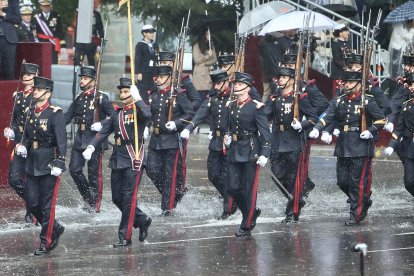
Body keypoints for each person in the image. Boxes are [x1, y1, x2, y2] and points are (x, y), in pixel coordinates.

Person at [309, 71, 386, 226]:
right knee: (342, 181)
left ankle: (355, 215)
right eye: (346, 82)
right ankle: (363, 201)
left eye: (350, 83)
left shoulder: (367, 101)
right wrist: (318, 128)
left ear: (359, 85)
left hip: (361, 145)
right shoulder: (339, 100)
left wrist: (370, 131)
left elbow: (381, 120)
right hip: (344, 144)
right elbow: (327, 116)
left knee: (356, 182)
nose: (347, 85)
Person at [83, 78, 152, 247]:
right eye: (121, 92)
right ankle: (142, 219)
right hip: (118, 159)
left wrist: (138, 99)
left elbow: (148, 116)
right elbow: (103, 132)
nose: (122, 95)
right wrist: (91, 147)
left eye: (126, 91)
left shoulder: (139, 111)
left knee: (128, 199)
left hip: (133, 157)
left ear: (133, 93)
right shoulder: (117, 114)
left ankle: (124, 237)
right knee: (116, 197)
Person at [15, 76, 66, 255]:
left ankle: (46, 241)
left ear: (47, 93)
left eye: (38, 89)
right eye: (34, 89)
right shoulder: (31, 111)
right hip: (32, 162)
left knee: (47, 205)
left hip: (48, 164)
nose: (34, 91)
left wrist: (60, 161)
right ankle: (55, 227)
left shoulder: (55, 113)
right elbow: (28, 136)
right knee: (31, 201)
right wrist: (23, 145)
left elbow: (62, 140)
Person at [180, 70, 237, 219]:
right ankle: (232, 198)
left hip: (230, 143)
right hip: (215, 142)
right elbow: (202, 112)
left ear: (226, 82)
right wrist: (189, 127)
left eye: (219, 84)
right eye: (214, 84)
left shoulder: (235, 97)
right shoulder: (213, 97)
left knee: (227, 175)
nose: (216, 87)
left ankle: (228, 209)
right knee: (213, 174)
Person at [265, 67, 318, 223]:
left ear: (291, 80)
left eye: (283, 77)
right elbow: (266, 115)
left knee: (294, 178)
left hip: (294, 140)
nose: (279, 80)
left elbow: (314, 117)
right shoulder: (275, 97)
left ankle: (292, 211)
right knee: (277, 175)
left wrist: (302, 124)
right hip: (278, 140)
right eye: (279, 77)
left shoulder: (300, 98)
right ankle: (297, 198)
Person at [224, 72, 271, 237]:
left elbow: (265, 134)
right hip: (235, 149)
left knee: (248, 189)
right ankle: (251, 212)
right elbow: (229, 127)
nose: (234, 86)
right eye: (234, 84)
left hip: (251, 151)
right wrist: (228, 136)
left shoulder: (256, 107)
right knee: (232, 187)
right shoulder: (231, 106)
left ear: (247, 87)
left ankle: (247, 223)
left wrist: (265, 153)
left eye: (238, 84)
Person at [145, 65, 194, 216]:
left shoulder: (179, 94)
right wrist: (147, 126)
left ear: (169, 78)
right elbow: (151, 114)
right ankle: (174, 195)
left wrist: (177, 123)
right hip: (156, 139)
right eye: (157, 77)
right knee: (151, 169)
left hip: (172, 139)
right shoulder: (153, 94)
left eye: (161, 77)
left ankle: (167, 207)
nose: (158, 79)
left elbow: (190, 113)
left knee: (169, 175)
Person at [64, 67, 114, 213]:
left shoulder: (101, 98)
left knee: (94, 173)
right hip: (80, 138)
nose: (82, 81)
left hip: (95, 139)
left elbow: (113, 117)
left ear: (93, 80)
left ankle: (95, 205)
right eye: (81, 78)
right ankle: (89, 198)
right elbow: (67, 117)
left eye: (85, 78)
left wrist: (102, 124)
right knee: (74, 169)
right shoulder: (79, 98)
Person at [3, 62, 39, 224]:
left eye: (29, 75)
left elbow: (37, 123)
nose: (25, 77)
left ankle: (32, 210)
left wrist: (26, 142)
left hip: (32, 143)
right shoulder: (18, 96)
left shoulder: (38, 95)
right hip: (19, 143)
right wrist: (11, 129)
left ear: (36, 76)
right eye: (24, 74)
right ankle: (34, 204)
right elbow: (15, 119)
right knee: (14, 179)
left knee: (31, 178)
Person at [384, 73, 414, 197]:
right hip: (409, 148)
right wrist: (392, 144)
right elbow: (400, 128)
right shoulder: (407, 105)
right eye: (411, 84)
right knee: (409, 182)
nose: (411, 87)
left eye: (413, 84)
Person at [33, 0, 65, 64]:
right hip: (41, 42)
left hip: (53, 44)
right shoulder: (36, 16)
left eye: (47, 6)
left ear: (50, 6)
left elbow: (60, 30)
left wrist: (63, 45)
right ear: (41, 6)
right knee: (42, 62)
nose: (46, 8)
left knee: (53, 63)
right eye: (44, 6)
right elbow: (34, 30)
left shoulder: (56, 15)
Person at [192, 29, 217, 108]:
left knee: (208, 95)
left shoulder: (211, 45)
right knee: (200, 96)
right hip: (199, 75)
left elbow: (214, 59)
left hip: (208, 74)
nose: (209, 36)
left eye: (209, 34)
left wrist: (207, 63)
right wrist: (207, 56)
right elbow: (197, 60)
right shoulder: (197, 45)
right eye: (207, 34)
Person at [135, 24, 158, 104]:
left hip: (153, 71)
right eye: (149, 32)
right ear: (144, 33)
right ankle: (144, 105)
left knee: (154, 88)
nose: (152, 34)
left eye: (152, 32)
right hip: (144, 71)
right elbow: (138, 59)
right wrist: (138, 72)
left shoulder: (155, 44)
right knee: (143, 90)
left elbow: (156, 57)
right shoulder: (140, 45)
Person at [0, 0, 20, 80]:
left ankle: (9, 91)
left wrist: (3, 14)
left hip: (8, 41)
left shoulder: (13, 1)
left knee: (9, 69)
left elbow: (18, 19)